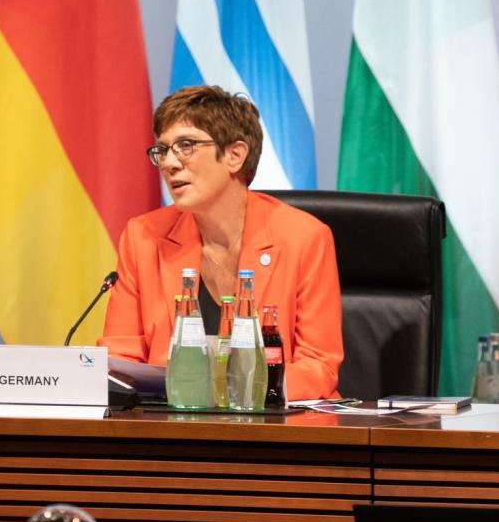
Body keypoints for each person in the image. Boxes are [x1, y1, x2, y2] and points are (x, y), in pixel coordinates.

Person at [100, 85, 343, 399]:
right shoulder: (143, 237)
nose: (169, 163)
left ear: (234, 155)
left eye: (186, 145)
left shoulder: (304, 238)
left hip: (276, 431)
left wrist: (224, 390)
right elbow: (120, 360)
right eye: (162, 150)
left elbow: (318, 367)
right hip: (170, 429)